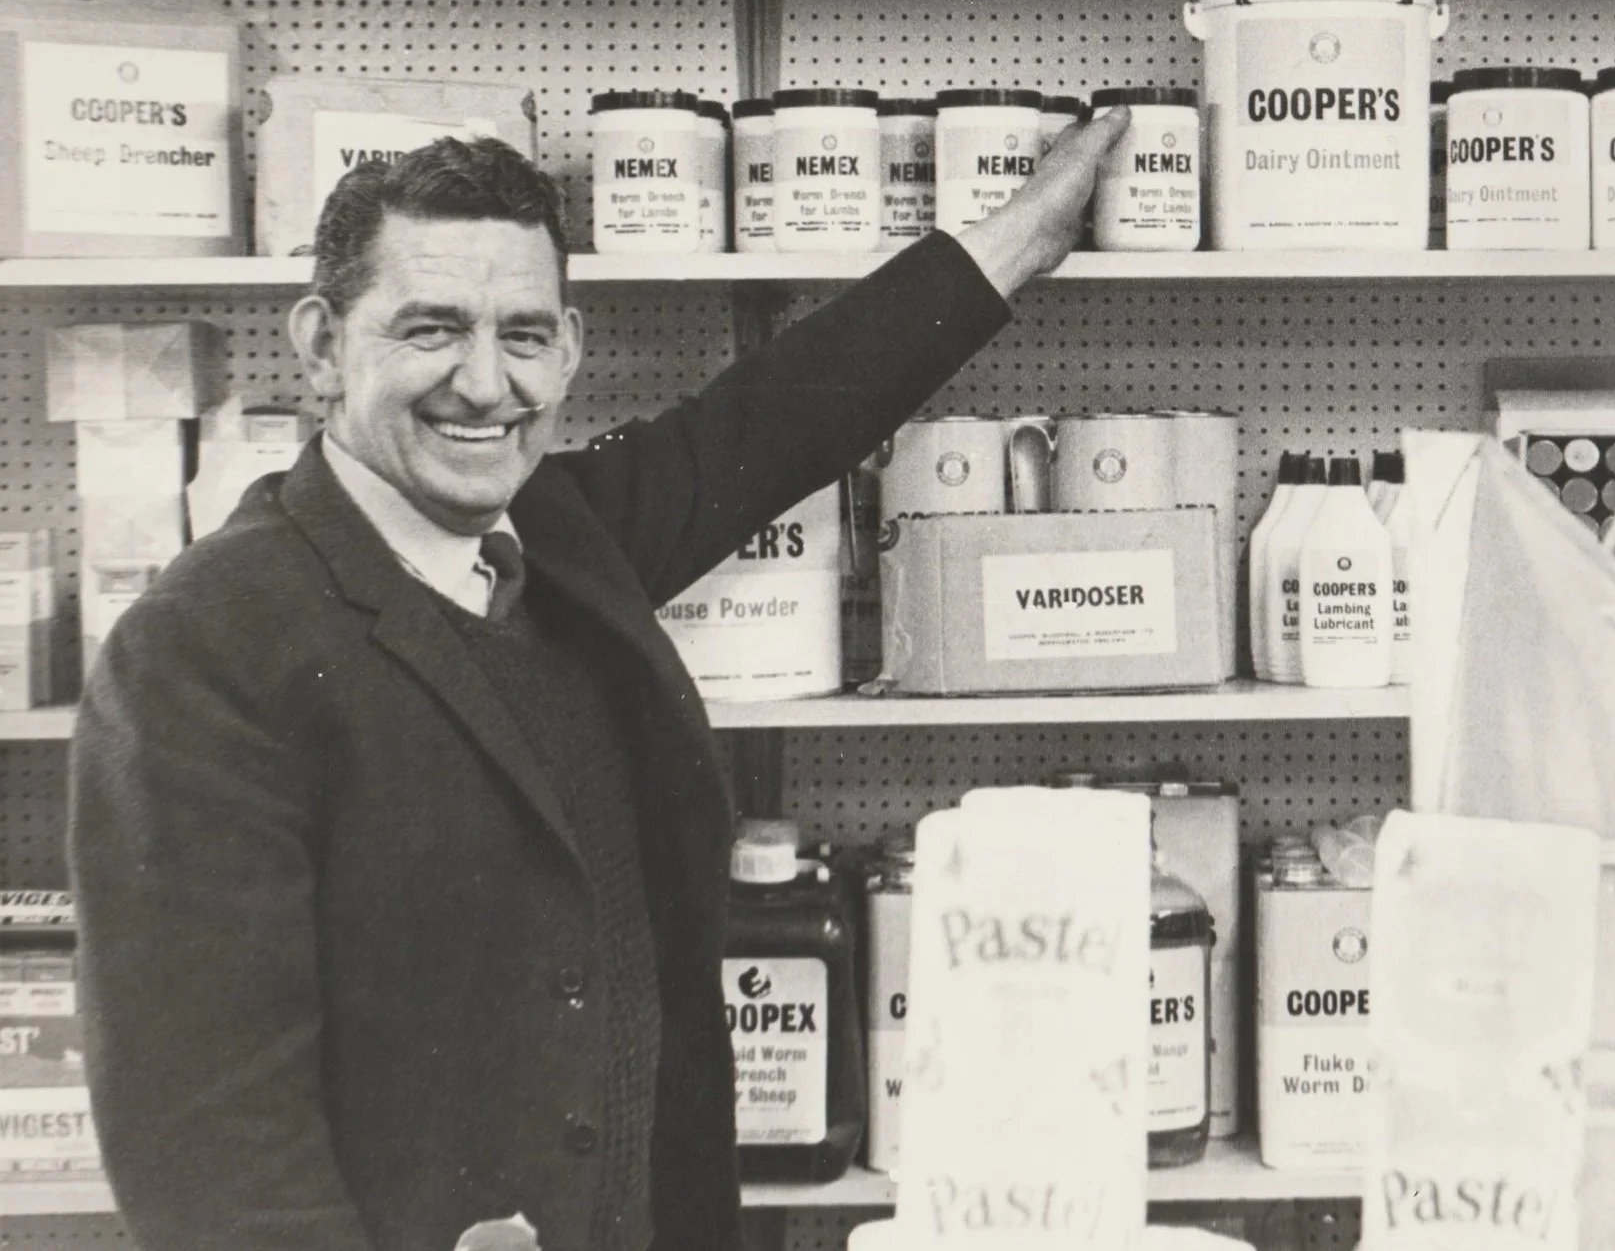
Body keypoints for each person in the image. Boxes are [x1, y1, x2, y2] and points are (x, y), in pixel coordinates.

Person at [69, 112, 1127, 1251]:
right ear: (322, 344)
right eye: (431, 329)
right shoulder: (203, 646)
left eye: (523, 334)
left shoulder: (559, 537)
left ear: (570, 346)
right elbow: (213, 1155)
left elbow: (781, 415)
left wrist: (1024, 234)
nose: (485, 384)